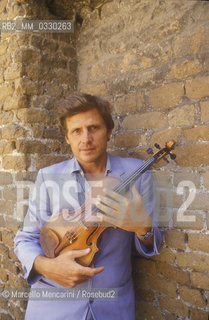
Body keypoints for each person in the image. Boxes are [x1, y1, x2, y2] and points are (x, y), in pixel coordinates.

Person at [14, 92, 162, 320]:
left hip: (112, 307)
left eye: (94, 128)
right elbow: (25, 240)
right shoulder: (48, 177)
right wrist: (47, 266)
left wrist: (143, 228)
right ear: (67, 138)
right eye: (76, 131)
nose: (86, 139)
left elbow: (151, 244)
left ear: (109, 131)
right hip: (54, 307)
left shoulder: (137, 173)